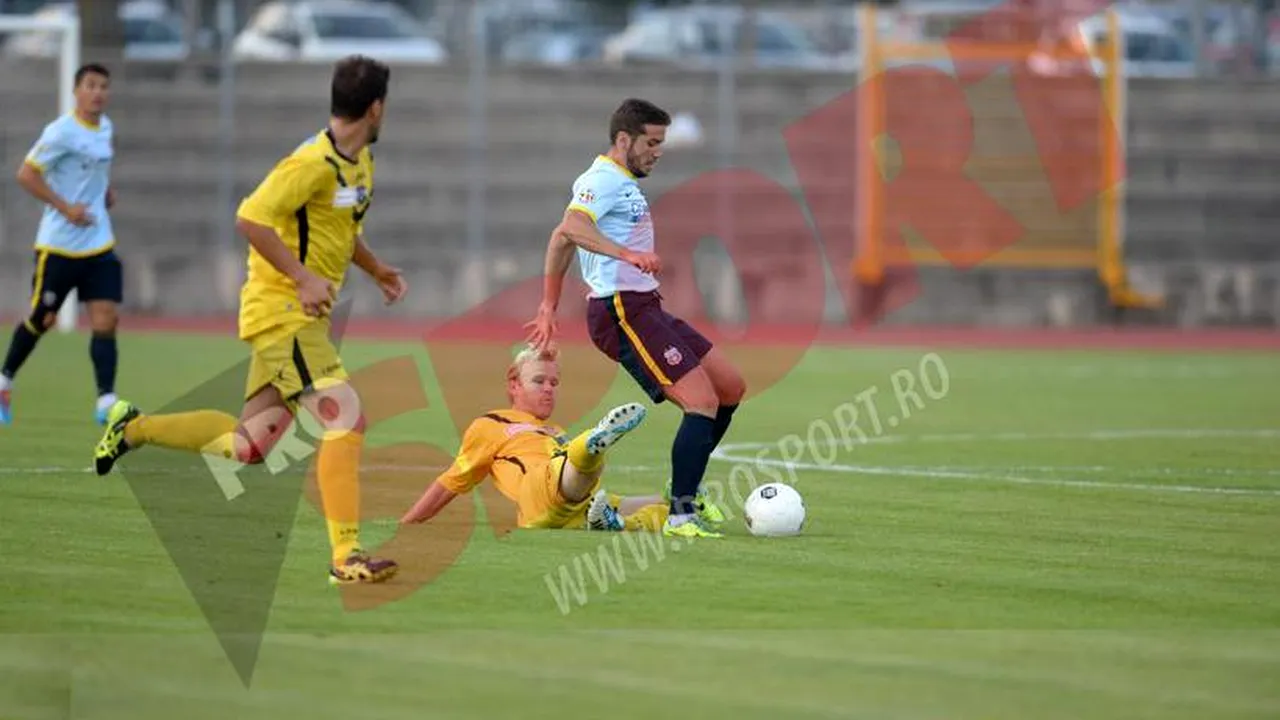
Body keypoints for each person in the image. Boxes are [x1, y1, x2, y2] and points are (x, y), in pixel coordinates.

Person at [92, 55, 407, 585]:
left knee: (249, 446)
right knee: (345, 417)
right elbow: (250, 218)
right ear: (375, 108)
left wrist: (375, 270)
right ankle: (345, 556)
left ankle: (134, 427)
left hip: (297, 316)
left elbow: (339, 229)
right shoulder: (309, 164)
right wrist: (303, 279)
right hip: (284, 312)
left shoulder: (358, 165)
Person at [526, 98, 742, 540]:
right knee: (700, 401)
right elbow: (571, 226)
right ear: (624, 139)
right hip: (619, 309)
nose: (658, 151)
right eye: (652, 142)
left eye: (661, 142)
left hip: (646, 305)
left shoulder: (620, 181)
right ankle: (681, 515)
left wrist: (547, 305)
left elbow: (560, 237)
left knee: (729, 387)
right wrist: (627, 254)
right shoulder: (601, 179)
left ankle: (685, 489)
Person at [400, 345, 668, 533]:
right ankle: (594, 441)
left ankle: (664, 506)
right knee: (576, 460)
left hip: (573, 505)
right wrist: (409, 522)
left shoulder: (555, 429)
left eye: (554, 383)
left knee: (666, 510)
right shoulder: (492, 424)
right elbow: (451, 481)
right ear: (514, 385)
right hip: (535, 494)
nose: (549, 389)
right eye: (539, 381)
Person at [1, 63, 123, 426]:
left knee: (106, 318)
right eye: (91, 85)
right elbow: (26, 173)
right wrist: (64, 206)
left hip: (99, 243)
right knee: (44, 318)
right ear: (77, 90)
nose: (98, 92)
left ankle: (106, 401)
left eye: (103, 85)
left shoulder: (106, 127)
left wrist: (104, 192)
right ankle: (4, 380)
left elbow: (93, 172)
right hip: (59, 247)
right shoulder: (60, 132)